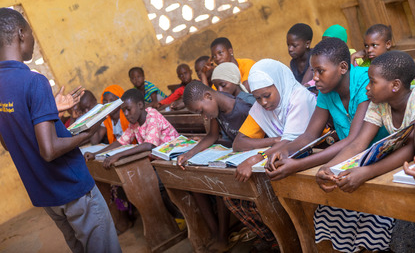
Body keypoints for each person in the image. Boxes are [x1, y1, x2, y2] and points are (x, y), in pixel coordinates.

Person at [0, 7, 121, 252]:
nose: (32, 40)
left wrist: (50, 110)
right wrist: (86, 133)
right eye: (30, 34)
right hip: (72, 187)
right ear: (21, 33)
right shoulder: (34, 80)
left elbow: (9, 141)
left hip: (45, 194)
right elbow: (49, 151)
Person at [315, 50, 415, 252]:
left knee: (403, 236)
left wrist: (367, 172)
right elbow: (357, 144)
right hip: (402, 169)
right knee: (335, 209)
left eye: (372, 82)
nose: (367, 88)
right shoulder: (379, 105)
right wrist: (328, 167)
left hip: (412, 169)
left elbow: (411, 148)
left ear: (395, 85)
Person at [265, 37, 387, 180]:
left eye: (320, 71)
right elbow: (310, 135)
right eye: (313, 71)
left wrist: (299, 164)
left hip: (382, 157)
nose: (315, 77)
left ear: (342, 67)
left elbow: (353, 139)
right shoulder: (326, 90)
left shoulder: (366, 82)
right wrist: (285, 150)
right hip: (351, 160)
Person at [176, 80, 253, 251]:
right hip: (235, 156)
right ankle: (218, 235)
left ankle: (223, 236)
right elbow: (212, 135)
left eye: (202, 111)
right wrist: (189, 154)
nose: (204, 116)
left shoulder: (241, 109)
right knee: (196, 182)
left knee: (218, 185)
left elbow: (256, 141)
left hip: (250, 160)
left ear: (208, 96)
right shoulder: (216, 108)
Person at [232, 59, 316, 181]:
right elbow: (238, 143)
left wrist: (256, 159)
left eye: (267, 96)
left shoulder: (299, 97)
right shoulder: (260, 106)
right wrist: (275, 140)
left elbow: (291, 141)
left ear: (279, 83)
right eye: (257, 98)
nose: (263, 102)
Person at [84, 88, 179, 168]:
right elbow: (120, 142)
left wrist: (118, 155)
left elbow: (148, 145)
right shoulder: (134, 123)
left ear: (140, 105)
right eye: (123, 110)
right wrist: (95, 154)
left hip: (176, 157)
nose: (125, 114)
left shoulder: (152, 116)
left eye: (128, 109)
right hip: (159, 161)